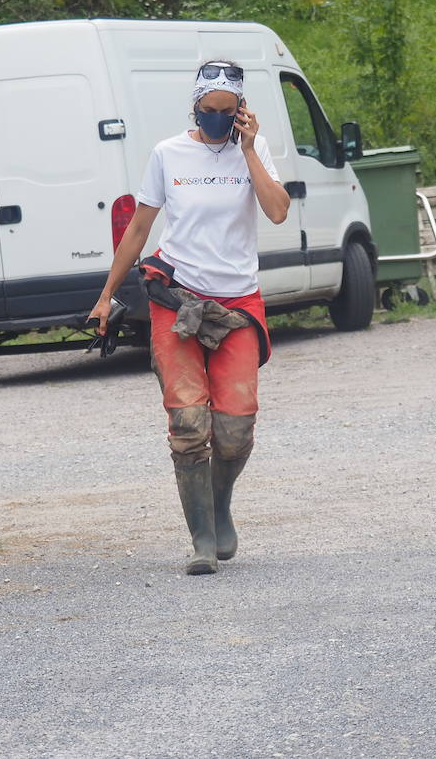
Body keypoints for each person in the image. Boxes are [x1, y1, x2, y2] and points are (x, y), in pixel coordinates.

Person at [88, 60, 290, 575]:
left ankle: (220, 507)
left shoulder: (254, 151)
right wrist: (107, 293)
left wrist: (248, 152)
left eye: (228, 111)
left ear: (241, 111)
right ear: (195, 106)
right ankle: (201, 537)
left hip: (237, 305)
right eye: (209, 110)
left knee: (235, 431)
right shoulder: (167, 154)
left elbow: (278, 211)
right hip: (176, 300)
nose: (218, 118)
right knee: (187, 422)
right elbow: (138, 229)